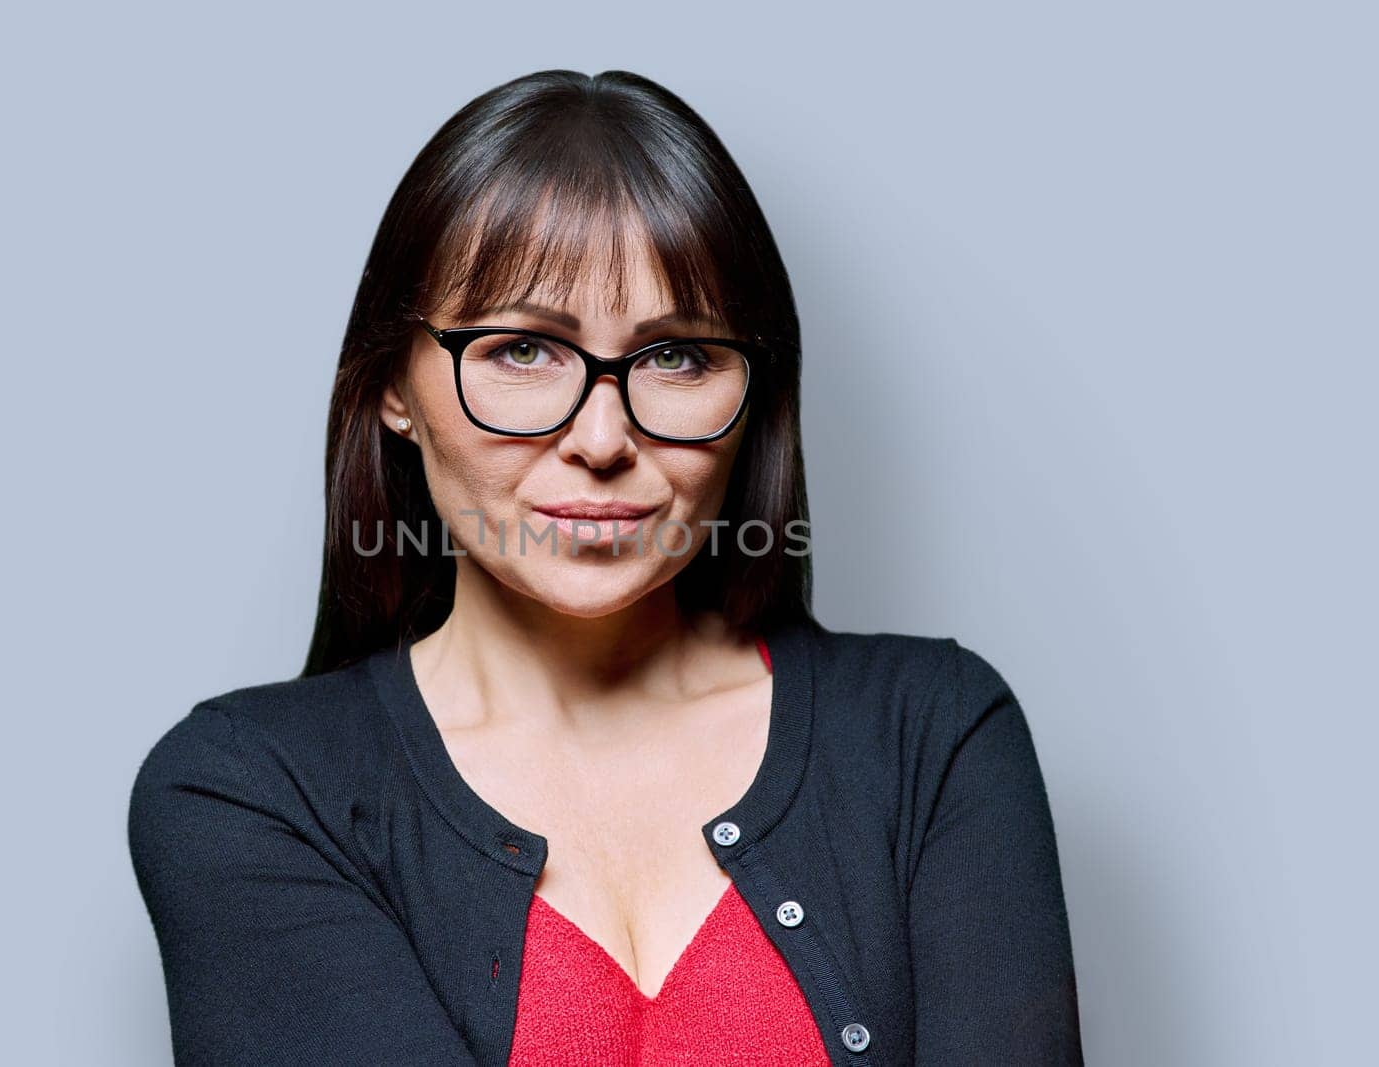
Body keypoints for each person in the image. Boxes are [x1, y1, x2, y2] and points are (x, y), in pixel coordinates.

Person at [128, 68, 1083, 1066]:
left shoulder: (931, 733)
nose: (601, 435)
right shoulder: (245, 790)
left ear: (755, 394)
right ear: (391, 387)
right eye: (521, 349)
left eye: (676, 357)